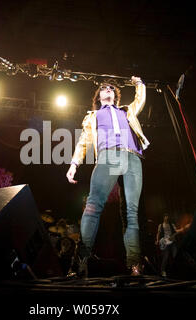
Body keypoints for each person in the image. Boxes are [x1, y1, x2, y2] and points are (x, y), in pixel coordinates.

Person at [66, 76, 149, 276]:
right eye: (104, 88)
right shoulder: (92, 116)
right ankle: (81, 262)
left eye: (112, 88)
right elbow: (83, 141)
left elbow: (141, 99)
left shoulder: (127, 111)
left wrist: (139, 83)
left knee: (131, 212)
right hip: (108, 156)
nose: (108, 89)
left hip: (132, 157)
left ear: (115, 94)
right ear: (99, 95)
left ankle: (134, 264)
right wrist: (74, 163)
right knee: (93, 207)